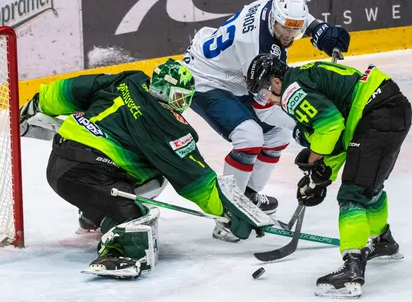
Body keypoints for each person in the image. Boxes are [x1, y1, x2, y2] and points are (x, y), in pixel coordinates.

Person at [19, 59, 272, 279]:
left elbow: (74, 89)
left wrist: (40, 102)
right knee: (137, 219)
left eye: (185, 98)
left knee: (147, 175)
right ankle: (114, 253)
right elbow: (198, 183)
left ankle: (94, 213)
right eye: (177, 97)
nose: (180, 104)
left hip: (60, 161)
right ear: (162, 89)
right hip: (87, 173)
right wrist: (229, 212)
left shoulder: (130, 80)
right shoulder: (169, 128)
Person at [245, 54, 412, 298]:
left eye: (263, 91)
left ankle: (352, 271)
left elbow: (330, 126)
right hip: (390, 108)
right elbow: (338, 139)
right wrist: (319, 179)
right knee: (369, 188)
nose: (266, 99)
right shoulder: (303, 77)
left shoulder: (292, 91)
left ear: (276, 81)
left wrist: (313, 161)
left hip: (377, 113)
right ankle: (383, 241)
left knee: (353, 195)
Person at [182, 0, 350, 222]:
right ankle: (228, 213)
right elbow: (266, 106)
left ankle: (247, 196)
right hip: (205, 79)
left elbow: (295, 17)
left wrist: (317, 29)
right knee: (249, 137)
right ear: (273, 19)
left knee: (278, 136)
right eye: (285, 29)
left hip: (234, 74)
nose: (290, 35)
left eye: (296, 29)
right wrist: (304, 128)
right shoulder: (256, 49)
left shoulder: (276, 7)